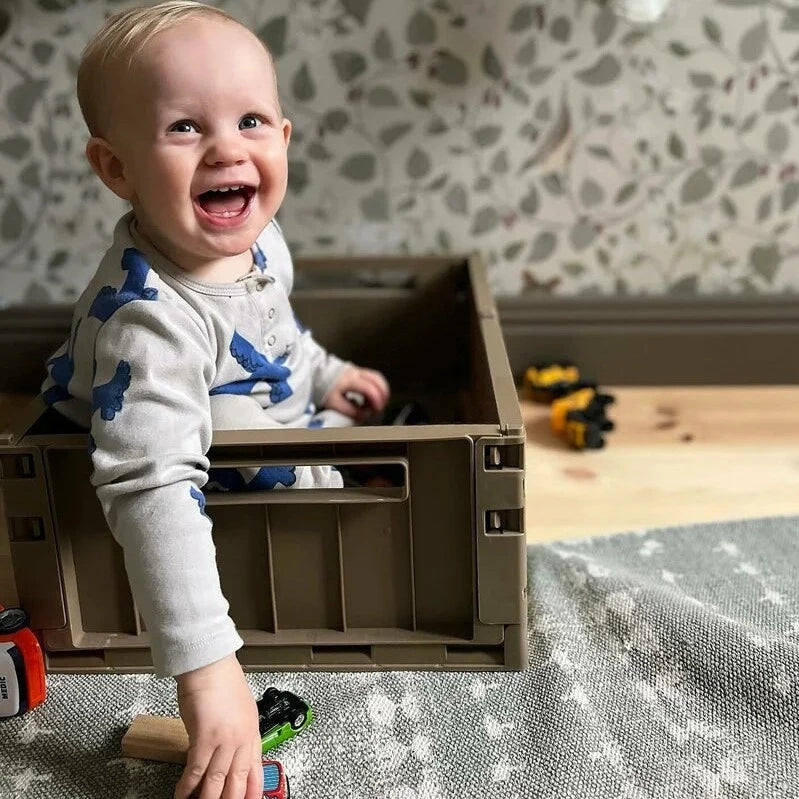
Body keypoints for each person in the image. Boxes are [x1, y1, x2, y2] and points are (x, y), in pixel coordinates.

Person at [40, 3, 390, 797]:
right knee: (236, 429)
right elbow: (152, 486)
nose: (228, 147)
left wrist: (325, 372)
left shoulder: (257, 237)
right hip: (124, 451)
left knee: (257, 411)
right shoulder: (149, 325)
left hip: (237, 406)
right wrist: (207, 669)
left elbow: (272, 333)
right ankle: (325, 479)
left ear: (284, 139)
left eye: (251, 120)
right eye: (185, 128)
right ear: (117, 169)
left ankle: (320, 435)